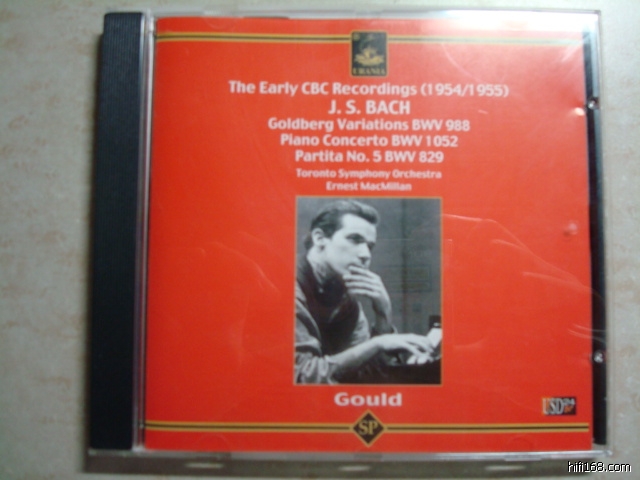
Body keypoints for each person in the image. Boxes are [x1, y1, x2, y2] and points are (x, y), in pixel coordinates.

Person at [295, 200, 435, 384]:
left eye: (370, 246)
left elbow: (369, 375)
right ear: (319, 238)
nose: (365, 255)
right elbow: (302, 376)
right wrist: (377, 344)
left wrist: (383, 313)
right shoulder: (287, 287)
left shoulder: (345, 294)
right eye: (355, 239)